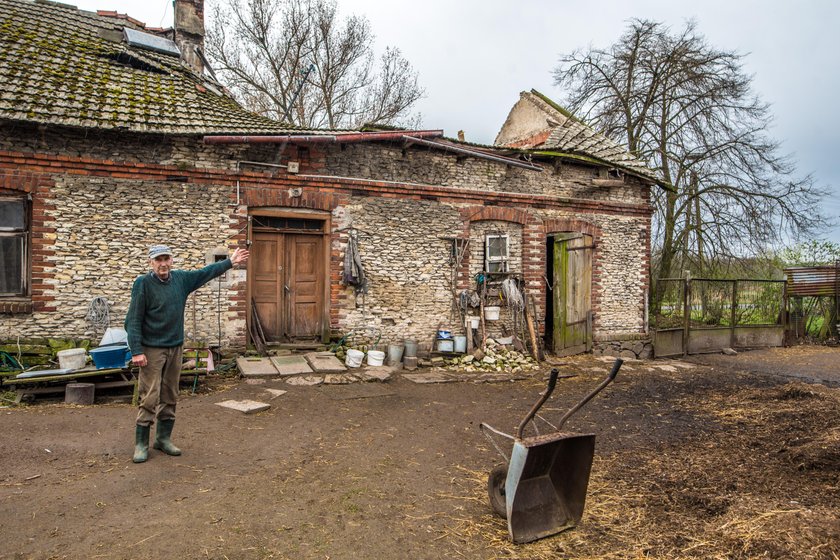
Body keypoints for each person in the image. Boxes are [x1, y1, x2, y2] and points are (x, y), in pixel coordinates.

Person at [125, 244, 249, 463]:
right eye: (158, 260)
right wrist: (136, 351)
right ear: (151, 263)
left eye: (166, 259)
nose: (163, 264)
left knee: (170, 394)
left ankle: (163, 439)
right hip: (151, 349)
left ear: (171, 261)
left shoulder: (180, 280)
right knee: (150, 395)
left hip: (175, 346)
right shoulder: (143, 284)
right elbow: (132, 320)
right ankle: (141, 443)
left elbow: (204, 273)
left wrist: (229, 262)